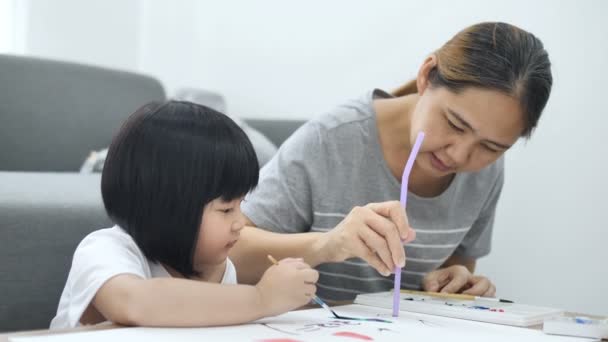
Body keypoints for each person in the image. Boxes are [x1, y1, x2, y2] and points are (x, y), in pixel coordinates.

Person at [230, 22, 552, 301]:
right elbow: (230, 253)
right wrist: (329, 244)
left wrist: (454, 281)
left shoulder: (487, 171)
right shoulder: (331, 140)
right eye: (455, 123)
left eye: (491, 146)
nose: (460, 155)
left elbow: (457, 263)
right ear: (427, 75)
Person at [50, 101, 318, 328]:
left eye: (241, 205)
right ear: (166, 207)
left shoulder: (217, 265)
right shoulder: (105, 250)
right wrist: (261, 299)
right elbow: (134, 303)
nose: (239, 223)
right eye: (226, 209)